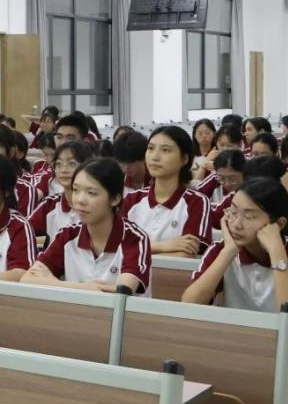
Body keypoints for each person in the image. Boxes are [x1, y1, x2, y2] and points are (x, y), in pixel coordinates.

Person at [183, 178, 288, 404]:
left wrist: (277, 252)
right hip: (234, 355)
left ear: (277, 224)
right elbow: (190, 304)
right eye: (233, 212)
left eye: (249, 216)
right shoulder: (221, 250)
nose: (237, 223)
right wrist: (229, 252)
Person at [22, 158, 151, 294]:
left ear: (115, 199)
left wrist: (54, 282)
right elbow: (27, 279)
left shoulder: (135, 238)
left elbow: (122, 291)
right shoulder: (67, 235)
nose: (80, 200)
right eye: (76, 190)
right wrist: (83, 287)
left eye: (91, 193)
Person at [120, 125, 211, 256]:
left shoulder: (197, 202)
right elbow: (117, 247)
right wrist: (165, 246)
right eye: (151, 148)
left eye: (165, 150)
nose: (155, 157)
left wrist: (135, 250)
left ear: (184, 159)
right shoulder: (132, 200)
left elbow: (187, 253)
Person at [27, 141, 93, 238]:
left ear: (88, 166)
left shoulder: (97, 205)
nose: (64, 170)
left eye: (72, 164)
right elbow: (24, 231)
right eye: (58, 164)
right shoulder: (50, 204)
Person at [114, 131, 151, 195]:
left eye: (131, 162)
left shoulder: (158, 179)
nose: (126, 167)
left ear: (144, 157)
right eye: (121, 162)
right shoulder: (116, 181)